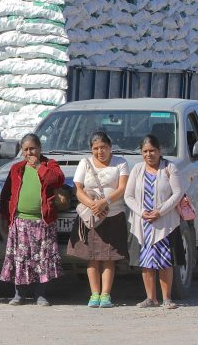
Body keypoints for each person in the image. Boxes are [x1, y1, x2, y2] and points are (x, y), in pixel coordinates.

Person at [0, 133, 65, 306]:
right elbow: (6, 194)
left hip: (42, 223)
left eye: (32, 149)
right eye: (26, 149)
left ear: (40, 149)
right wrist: (5, 217)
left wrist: (38, 168)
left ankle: (40, 294)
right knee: (20, 259)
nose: (29, 153)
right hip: (20, 222)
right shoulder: (17, 168)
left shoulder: (49, 165)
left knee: (42, 260)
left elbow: (56, 180)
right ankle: (19, 294)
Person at [67, 131, 130, 308]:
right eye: (95, 148)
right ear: (91, 149)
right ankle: (94, 294)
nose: (100, 151)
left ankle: (106, 295)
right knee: (92, 256)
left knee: (109, 256)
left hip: (113, 215)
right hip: (90, 218)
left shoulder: (121, 163)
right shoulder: (84, 163)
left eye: (103, 147)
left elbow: (122, 187)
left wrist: (105, 202)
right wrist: (92, 205)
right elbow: (77, 188)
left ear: (110, 148)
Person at [124, 134, 185, 310]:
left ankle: (167, 298)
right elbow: (128, 196)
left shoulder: (169, 168)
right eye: (145, 151)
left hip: (165, 222)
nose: (149, 154)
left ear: (160, 151)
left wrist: (160, 211)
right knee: (146, 261)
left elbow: (177, 193)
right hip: (143, 223)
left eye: (152, 151)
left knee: (165, 260)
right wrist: (142, 212)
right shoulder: (137, 169)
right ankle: (150, 298)